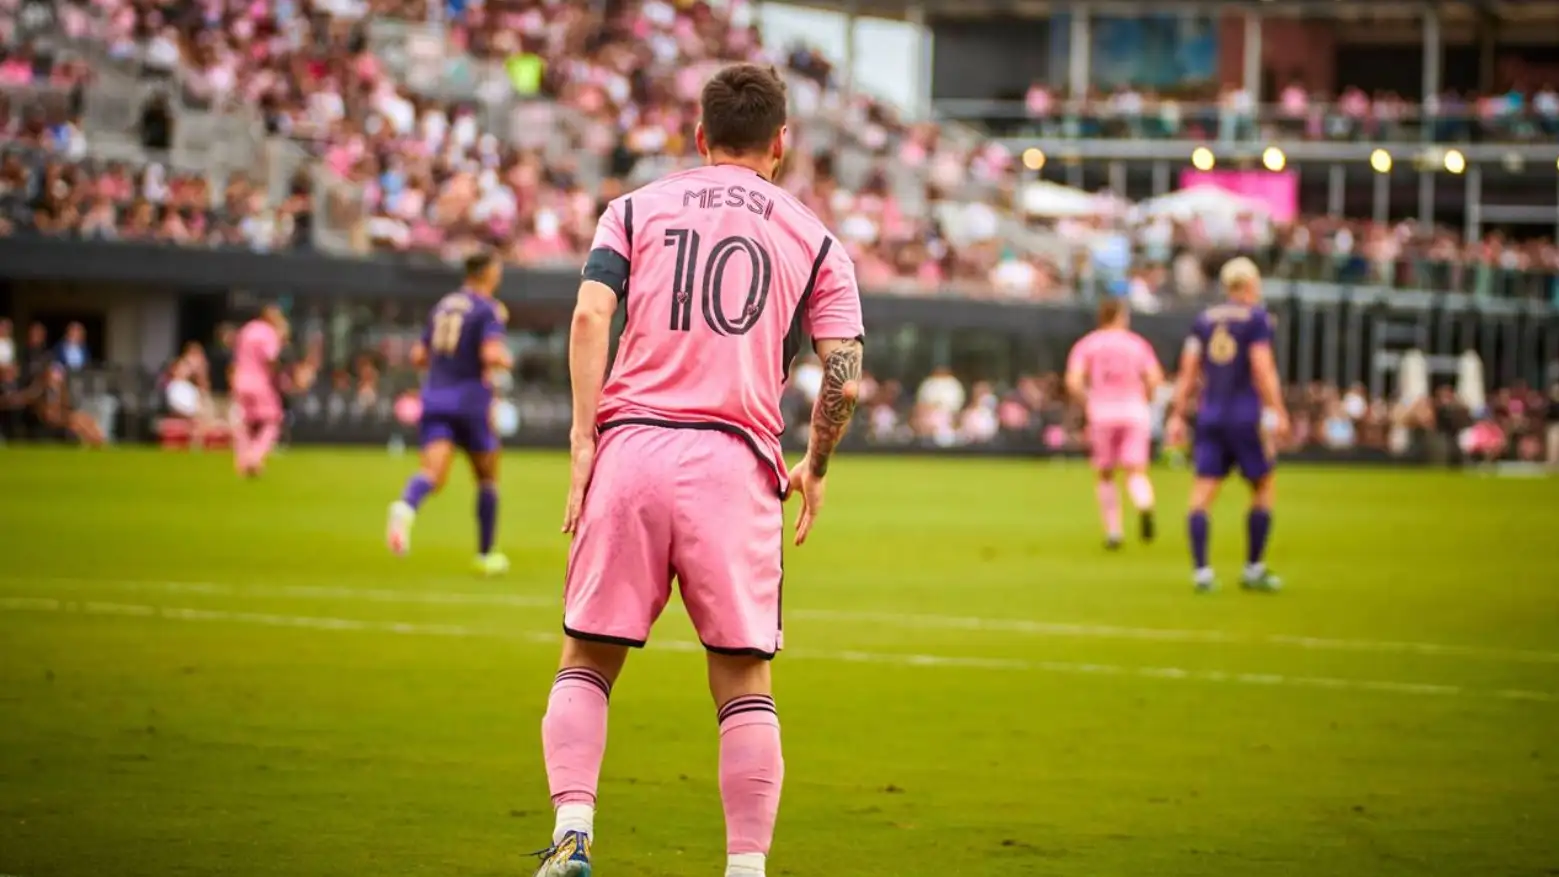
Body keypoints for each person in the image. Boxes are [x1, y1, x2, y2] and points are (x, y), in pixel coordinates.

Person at [532, 64, 865, 877]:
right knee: (744, 681)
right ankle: (744, 869)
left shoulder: (634, 209)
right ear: (780, 142)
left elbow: (587, 312)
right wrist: (814, 465)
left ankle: (574, 835)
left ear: (697, 134)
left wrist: (584, 439)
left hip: (632, 451)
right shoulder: (814, 239)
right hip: (734, 464)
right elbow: (843, 373)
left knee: (587, 659)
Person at [385, 250, 514, 575]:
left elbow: (418, 355)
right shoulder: (487, 309)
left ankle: (405, 506)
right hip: (470, 400)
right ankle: (486, 554)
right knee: (487, 477)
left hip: (434, 397)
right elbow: (490, 354)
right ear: (486, 273)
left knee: (433, 474)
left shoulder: (443, 305)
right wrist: (506, 359)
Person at [1166, 257, 1290, 593]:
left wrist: (1177, 415)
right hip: (1245, 415)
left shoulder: (1204, 320)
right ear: (1251, 284)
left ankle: (1202, 572)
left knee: (1201, 495)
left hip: (1210, 415)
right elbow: (1262, 368)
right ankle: (1253, 567)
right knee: (1263, 487)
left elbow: (1188, 370)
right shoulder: (1256, 319)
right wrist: (1277, 409)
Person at [1065, 299, 1164, 549]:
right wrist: (1145, 399)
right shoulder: (1137, 344)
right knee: (1136, 471)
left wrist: (1088, 400)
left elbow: (1073, 381)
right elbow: (1154, 378)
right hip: (1134, 410)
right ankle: (1144, 504)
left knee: (1106, 474)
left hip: (1102, 411)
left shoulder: (1088, 343)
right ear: (1121, 316)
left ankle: (1114, 532)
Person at [231, 304, 287, 477]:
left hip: (240, 379)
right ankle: (255, 458)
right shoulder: (268, 333)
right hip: (260, 381)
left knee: (245, 423)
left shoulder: (246, 330)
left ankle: (242, 461)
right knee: (273, 420)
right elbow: (271, 358)